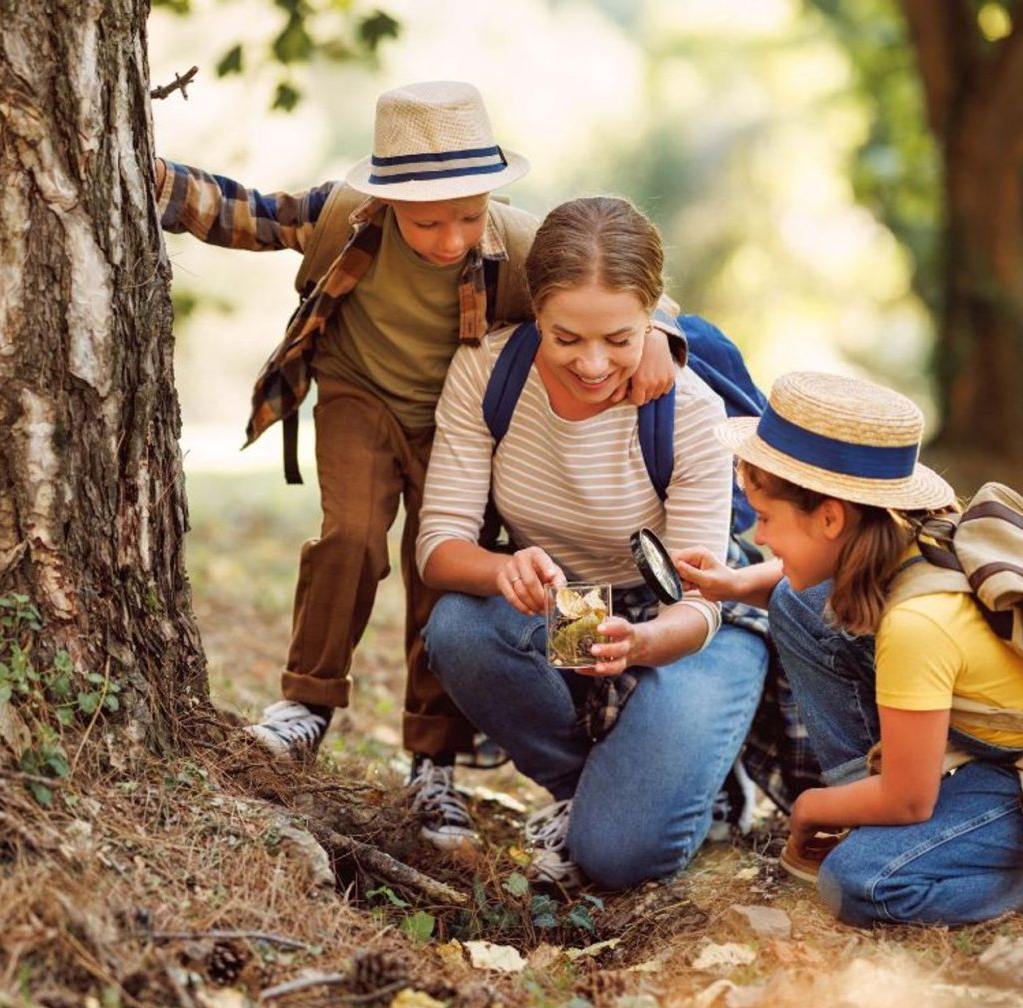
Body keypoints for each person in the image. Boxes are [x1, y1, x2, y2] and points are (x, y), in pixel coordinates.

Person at [155, 81, 678, 848]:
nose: (451, 239)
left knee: (444, 574)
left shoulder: (519, 242)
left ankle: (433, 763)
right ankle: (307, 704)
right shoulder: (343, 216)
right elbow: (246, 215)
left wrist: (662, 333)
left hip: (458, 425)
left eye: (470, 215)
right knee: (352, 539)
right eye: (429, 221)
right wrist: (146, 174)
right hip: (358, 398)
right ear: (387, 197)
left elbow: (616, 286)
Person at [417, 196, 769, 889]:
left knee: (616, 862)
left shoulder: (688, 406)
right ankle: (595, 790)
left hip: (690, 623)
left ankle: (686, 780)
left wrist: (641, 643)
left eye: (620, 338)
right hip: (572, 612)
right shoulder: (489, 374)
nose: (593, 364)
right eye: (566, 338)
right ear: (535, 311)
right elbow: (438, 546)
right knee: (459, 626)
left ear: (654, 317)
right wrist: (502, 570)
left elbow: (701, 604)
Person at [675, 371, 1023, 926]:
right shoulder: (907, 535)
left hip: (1007, 770)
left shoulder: (918, 624)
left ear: (832, 517)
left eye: (765, 519)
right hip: (973, 734)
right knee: (795, 599)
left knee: (860, 883)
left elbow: (911, 800)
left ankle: (998, 875)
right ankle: (866, 806)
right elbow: (801, 583)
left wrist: (814, 807)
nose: (757, 537)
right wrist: (737, 583)